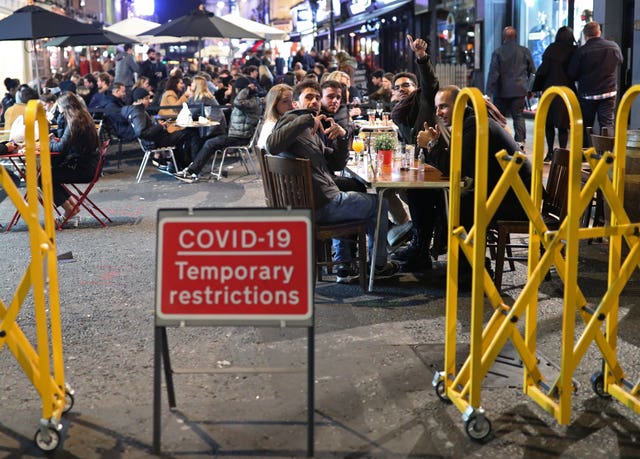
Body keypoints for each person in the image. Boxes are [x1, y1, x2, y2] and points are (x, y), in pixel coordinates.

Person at [266, 80, 399, 283]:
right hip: (319, 205)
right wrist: (306, 120)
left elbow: (335, 163)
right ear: (295, 103)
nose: (314, 102)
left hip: (316, 202)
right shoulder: (291, 122)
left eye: (318, 98)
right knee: (379, 203)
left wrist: (341, 138)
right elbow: (271, 145)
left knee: (352, 194)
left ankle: (344, 266)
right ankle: (379, 265)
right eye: (309, 97)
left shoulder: (309, 131)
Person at [415, 85, 532, 276]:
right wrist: (435, 145)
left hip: (518, 199)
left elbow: (456, 168)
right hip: (504, 192)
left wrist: (431, 144)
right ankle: (441, 256)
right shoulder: (467, 123)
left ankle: (472, 269)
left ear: (461, 105)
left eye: (443, 106)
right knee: (444, 198)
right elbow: (458, 164)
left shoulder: (473, 125)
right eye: (437, 108)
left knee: (459, 205)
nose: (438, 113)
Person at [389, 35, 440, 272]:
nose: (402, 89)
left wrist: (421, 57)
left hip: (439, 164)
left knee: (417, 194)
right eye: (397, 87)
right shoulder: (400, 113)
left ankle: (419, 246)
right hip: (421, 168)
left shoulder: (424, 99)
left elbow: (430, 82)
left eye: (406, 85)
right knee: (406, 190)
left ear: (415, 87)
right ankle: (418, 244)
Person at [173, 77, 263, 183]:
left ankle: (192, 171)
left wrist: (245, 89)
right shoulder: (249, 101)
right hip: (236, 134)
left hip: (241, 137)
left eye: (237, 89)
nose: (236, 91)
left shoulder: (252, 102)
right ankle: (190, 169)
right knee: (197, 139)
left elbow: (238, 102)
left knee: (209, 143)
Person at [48, 92, 100, 225]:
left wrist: (46, 144)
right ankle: (72, 207)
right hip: (88, 165)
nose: (57, 109)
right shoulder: (82, 117)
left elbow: (60, 148)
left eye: (58, 106)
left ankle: (69, 210)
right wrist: (60, 124)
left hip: (83, 169)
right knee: (50, 174)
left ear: (64, 107)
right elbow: (64, 143)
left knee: (44, 177)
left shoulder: (74, 122)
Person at [568, 21, 623, 144]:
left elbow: (572, 73)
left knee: (587, 125)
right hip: (609, 92)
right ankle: (607, 154)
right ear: (599, 32)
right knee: (607, 124)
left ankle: (586, 152)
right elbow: (620, 61)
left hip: (588, 94)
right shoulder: (613, 46)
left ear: (585, 35)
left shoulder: (581, 51)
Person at [531, 26, 577, 161]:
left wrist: (535, 88)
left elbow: (542, 70)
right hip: (565, 91)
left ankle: (550, 152)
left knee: (549, 123)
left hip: (549, 90)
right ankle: (562, 152)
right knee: (563, 125)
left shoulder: (551, 49)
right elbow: (574, 71)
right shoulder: (574, 50)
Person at [486, 26, 535, 148]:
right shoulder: (524, 51)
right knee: (518, 116)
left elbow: (494, 74)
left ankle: (500, 142)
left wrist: (488, 93)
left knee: (499, 118)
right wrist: (530, 89)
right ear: (516, 37)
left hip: (501, 92)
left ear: (503, 38)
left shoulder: (498, 52)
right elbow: (533, 72)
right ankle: (520, 143)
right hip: (519, 91)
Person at [121, 88, 190, 172]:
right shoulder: (138, 112)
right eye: (146, 98)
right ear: (139, 100)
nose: (149, 101)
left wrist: (158, 126)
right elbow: (142, 132)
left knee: (182, 135)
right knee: (186, 134)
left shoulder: (136, 111)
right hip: (154, 141)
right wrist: (159, 126)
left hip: (153, 140)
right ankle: (182, 164)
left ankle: (178, 164)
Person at [256, 83, 293, 150]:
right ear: (274, 104)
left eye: (293, 100)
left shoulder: (271, 121)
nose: (291, 105)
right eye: (285, 101)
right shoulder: (275, 125)